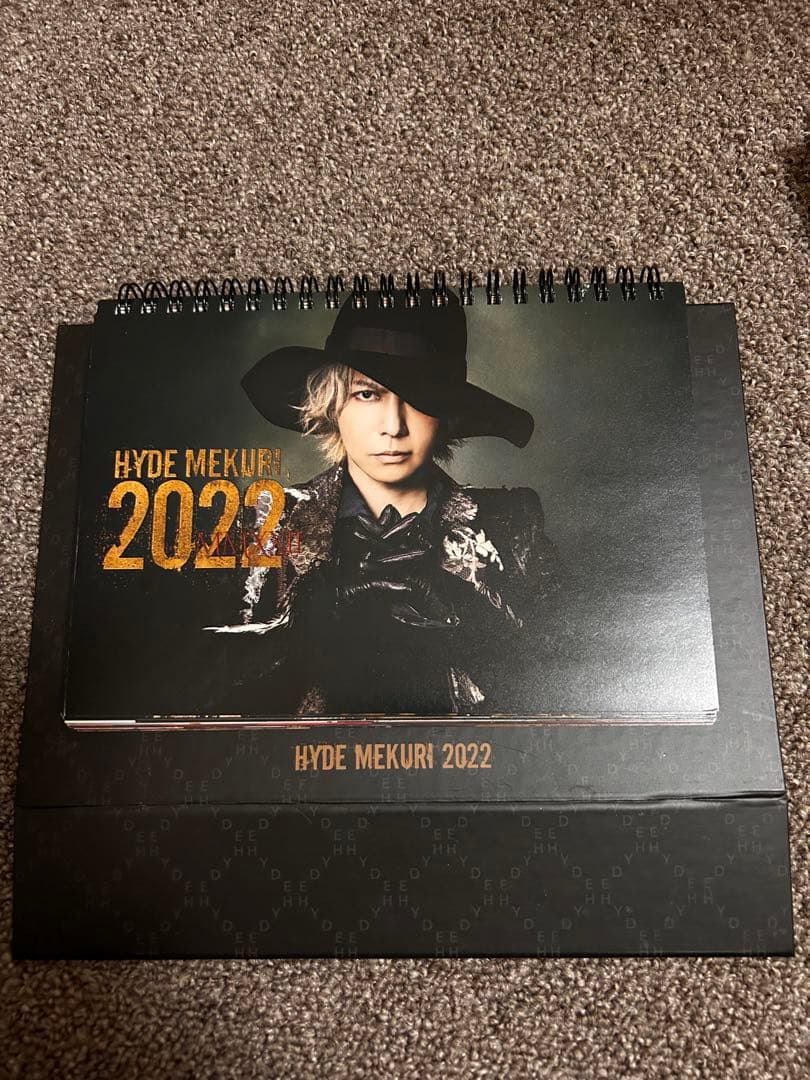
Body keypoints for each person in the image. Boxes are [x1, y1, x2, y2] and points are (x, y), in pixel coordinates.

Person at [215, 287, 562, 718]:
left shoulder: (510, 523)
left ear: (447, 413)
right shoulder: (267, 520)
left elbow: (571, 679)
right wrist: (299, 635)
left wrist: (468, 618)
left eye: (419, 399)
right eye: (368, 393)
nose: (394, 426)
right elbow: (202, 693)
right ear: (332, 401)